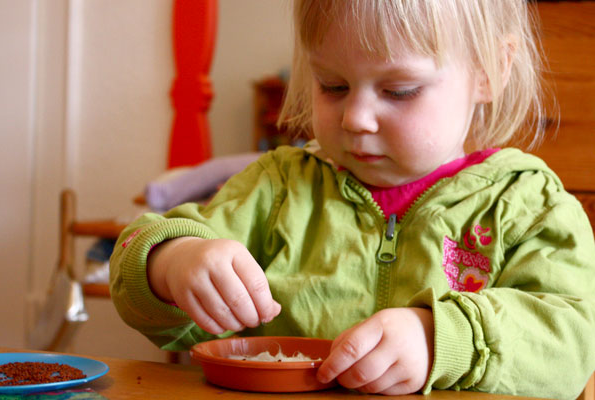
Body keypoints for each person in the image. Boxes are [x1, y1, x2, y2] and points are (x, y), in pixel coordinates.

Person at [109, 0, 595, 398]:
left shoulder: (531, 206)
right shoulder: (277, 189)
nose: (355, 118)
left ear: (491, 70)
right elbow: (133, 260)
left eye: (399, 90)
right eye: (332, 86)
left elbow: (571, 344)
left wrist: (441, 338)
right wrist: (171, 262)